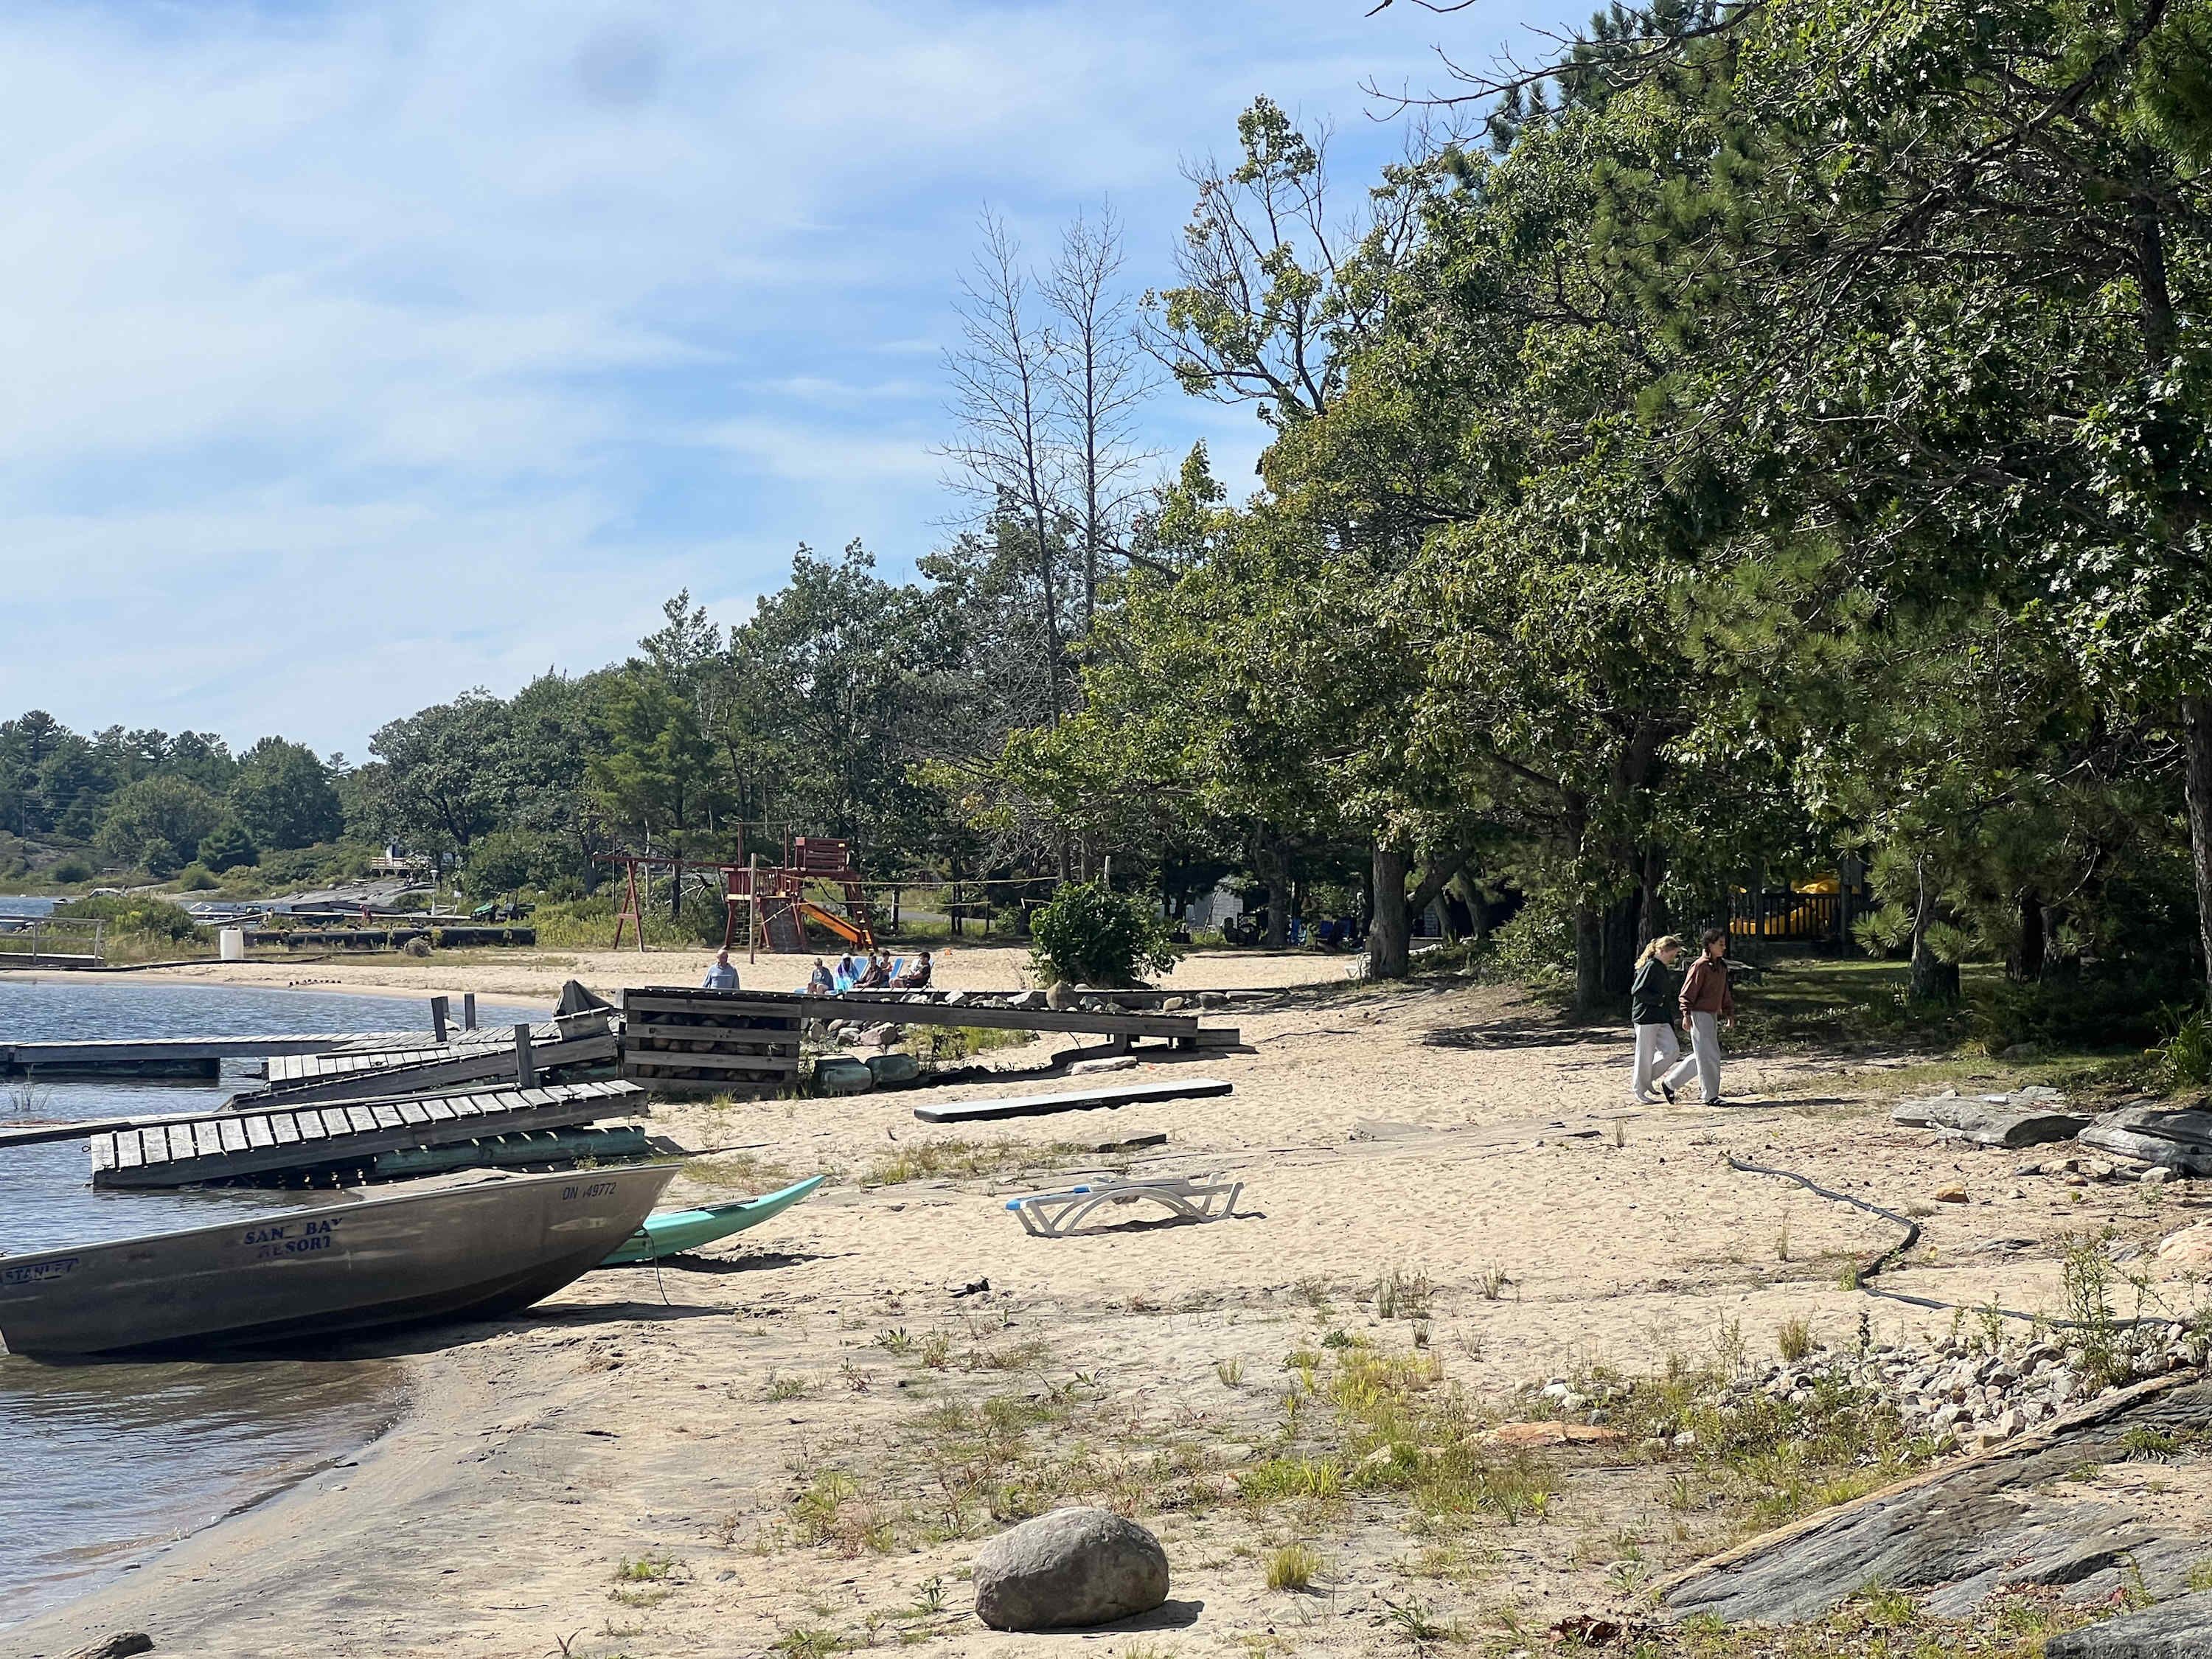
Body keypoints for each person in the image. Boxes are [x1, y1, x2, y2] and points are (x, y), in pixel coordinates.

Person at [1663, 927, 1736, 1106]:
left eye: (1724, 944)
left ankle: (1670, 1083)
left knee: (1702, 1054)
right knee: (1710, 1055)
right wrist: (1686, 1015)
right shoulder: (1700, 966)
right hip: (1699, 1014)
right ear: (1710, 945)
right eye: (1720, 944)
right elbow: (1687, 993)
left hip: (1712, 1014)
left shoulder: (1721, 967)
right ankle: (1710, 1096)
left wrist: (1729, 1013)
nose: (1724, 947)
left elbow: (1724, 992)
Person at [1627, 934, 1686, 1105]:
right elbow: (1637, 990)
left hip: (1661, 1017)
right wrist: (1657, 1000)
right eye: (1671, 955)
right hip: (1646, 1017)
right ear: (1662, 951)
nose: (1673, 958)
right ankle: (1639, 1089)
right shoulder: (1651, 966)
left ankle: (1646, 1080)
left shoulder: (1661, 967)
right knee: (1644, 1055)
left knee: (1672, 1050)